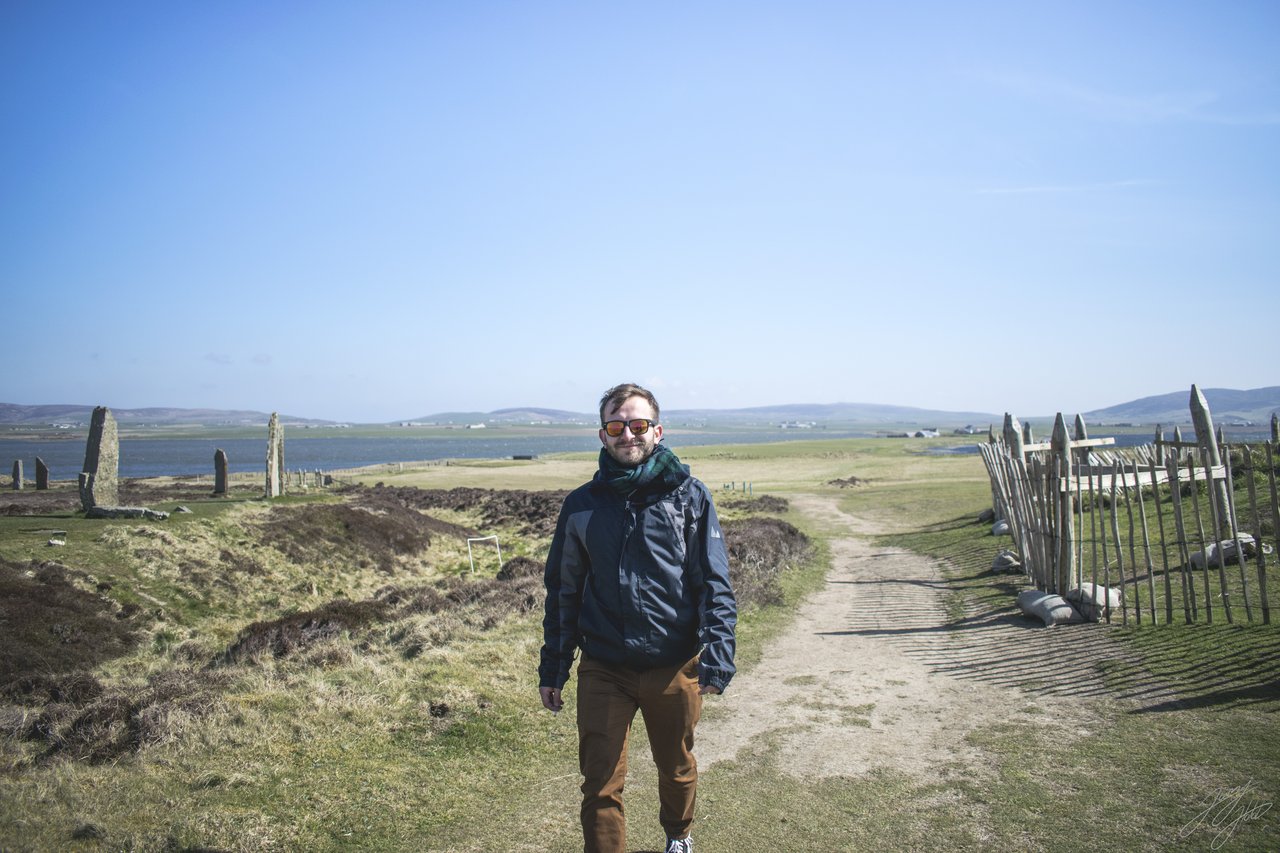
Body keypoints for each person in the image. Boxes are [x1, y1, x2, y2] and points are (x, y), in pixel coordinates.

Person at [539, 383, 738, 853]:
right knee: (600, 781)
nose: (627, 433)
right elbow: (563, 592)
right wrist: (554, 666)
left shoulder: (689, 497)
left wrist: (719, 652)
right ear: (602, 435)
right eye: (616, 425)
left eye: (637, 424)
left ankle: (678, 836)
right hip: (605, 665)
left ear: (657, 430)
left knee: (677, 766)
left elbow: (714, 581)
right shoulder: (582, 505)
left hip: (674, 663)